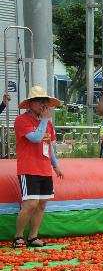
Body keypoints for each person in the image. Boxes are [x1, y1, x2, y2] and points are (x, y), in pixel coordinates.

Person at [10, 87, 64, 249]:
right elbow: (35, 138)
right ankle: (18, 237)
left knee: (41, 204)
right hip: (28, 168)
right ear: (30, 104)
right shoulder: (22, 120)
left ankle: (33, 236)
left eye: (45, 102)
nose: (43, 105)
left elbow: (50, 146)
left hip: (44, 169)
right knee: (30, 203)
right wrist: (44, 121)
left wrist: (56, 166)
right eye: (39, 101)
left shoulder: (47, 123)